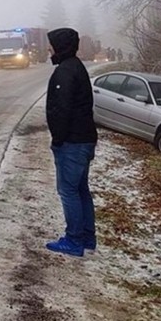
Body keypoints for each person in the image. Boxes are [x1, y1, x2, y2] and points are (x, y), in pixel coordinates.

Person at [45, 27, 98, 257]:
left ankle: (74, 240)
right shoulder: (75, 67)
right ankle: (87, 236)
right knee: (80, 189)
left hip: (72, 142)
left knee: (68, 190)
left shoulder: (66, 72)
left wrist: (57, 139)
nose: (48, 49)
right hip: (84, 139)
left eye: (52, 44)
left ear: (60, 46)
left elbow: (62, 109)